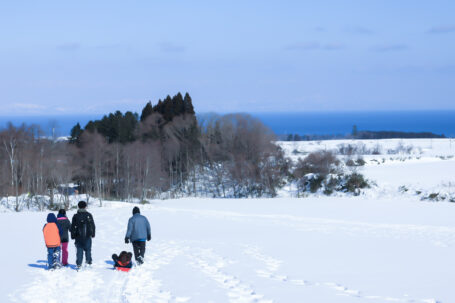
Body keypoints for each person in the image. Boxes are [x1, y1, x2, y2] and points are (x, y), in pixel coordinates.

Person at [71, 201, 95, 269]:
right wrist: (93, 234)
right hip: (87, 236)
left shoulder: (75, 216)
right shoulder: (89, 215)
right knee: (88, 250)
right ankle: (88, 263)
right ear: (85, 206)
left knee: (79, 250)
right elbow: (92, 225)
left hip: (78, 236)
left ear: (78, 206)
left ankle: (79, 264)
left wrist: (72, 235)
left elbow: (72, 227)